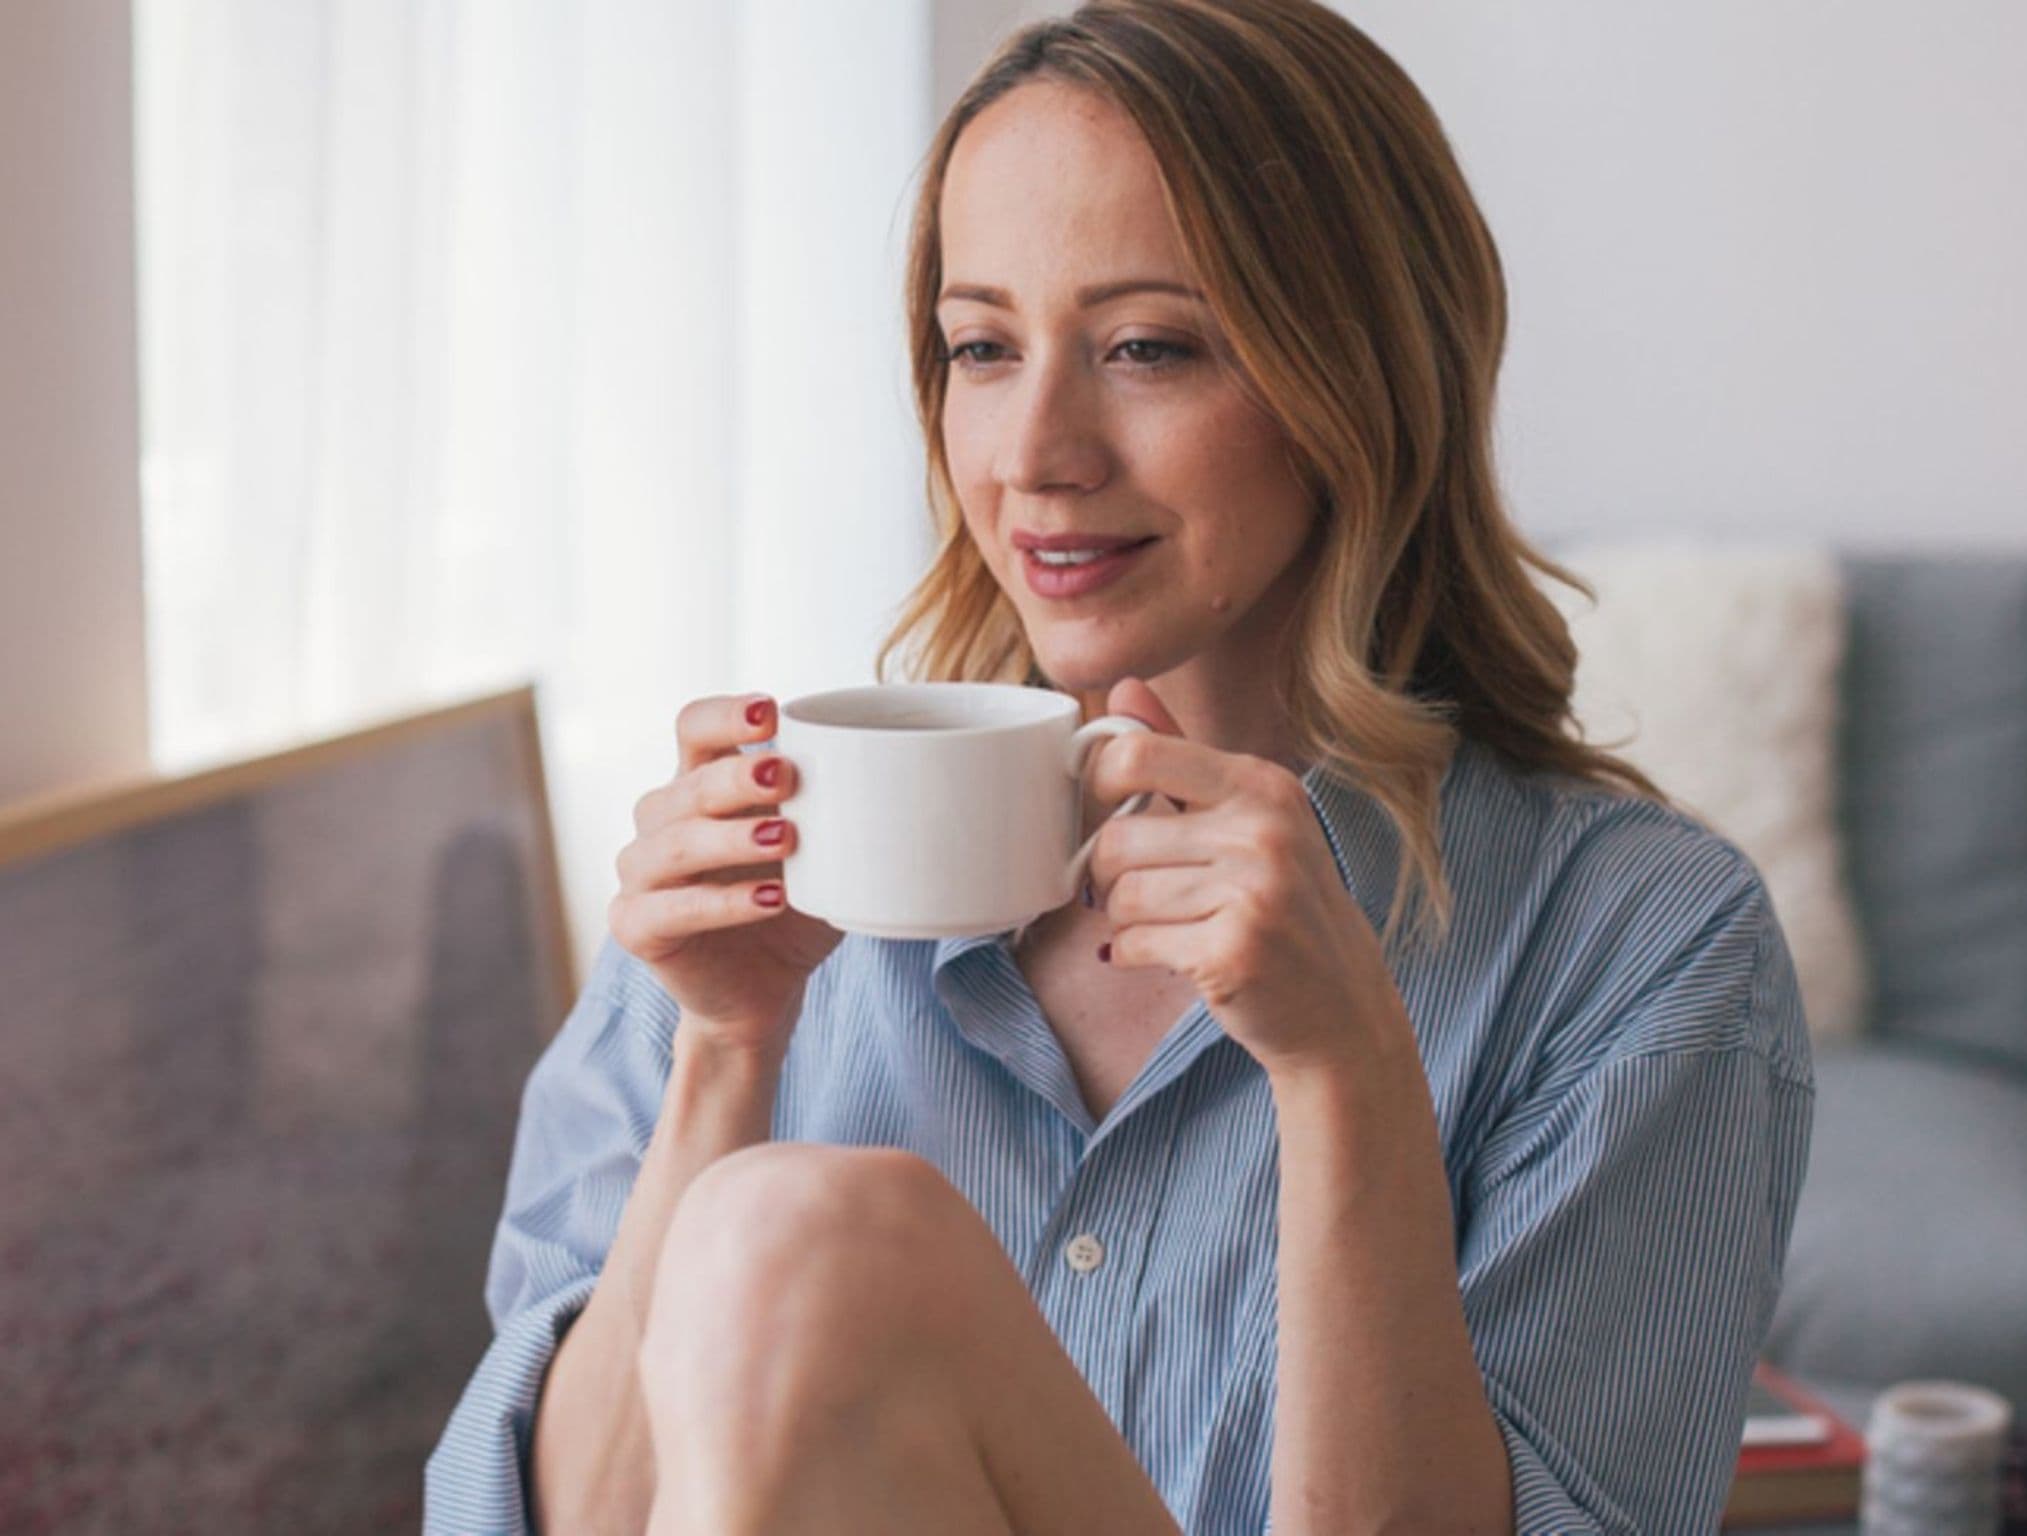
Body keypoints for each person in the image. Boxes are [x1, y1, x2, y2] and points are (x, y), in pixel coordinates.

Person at [425, 1, 1815, 1531]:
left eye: (1148, 347)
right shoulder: (769, 882)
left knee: (811, 1239)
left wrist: (1342, 1069)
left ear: (1358, 376)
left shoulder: (1648, 948)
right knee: (776, 1230)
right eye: (981, 347)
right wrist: (724, 1056)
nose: (1035, 450)